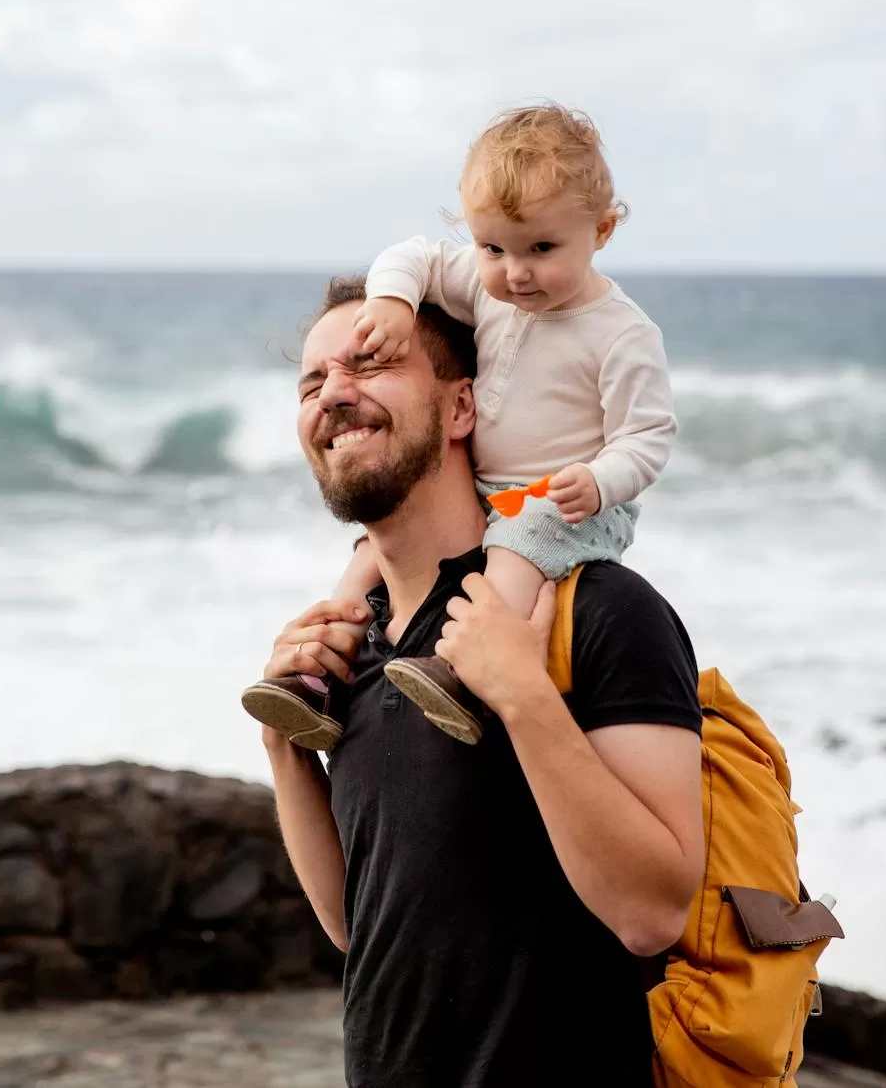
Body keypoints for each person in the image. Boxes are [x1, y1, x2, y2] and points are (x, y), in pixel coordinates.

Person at [259, 276, 704, 1087]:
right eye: (312, 381)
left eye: (369, 362)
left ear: (462, 407)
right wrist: (283, 749)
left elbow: (653, 912)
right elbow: (358, 928)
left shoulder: (598, 610)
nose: (334, 394)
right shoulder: (353, 643)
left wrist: (524, 697)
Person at [242, 104, 675, 748]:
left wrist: (601, 479)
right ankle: (322, 673)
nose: (515, 272)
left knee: (515, 543)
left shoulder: (622, 334)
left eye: (541, 249)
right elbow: (410, 256)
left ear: (603, 230)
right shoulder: (488, 287)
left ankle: (460, 675)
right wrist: (391, 303)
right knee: (370, 556)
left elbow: (648, 435)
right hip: (492, 489)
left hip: (569, 501)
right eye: (492, 247)